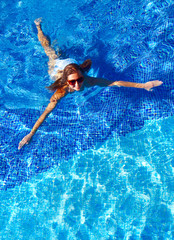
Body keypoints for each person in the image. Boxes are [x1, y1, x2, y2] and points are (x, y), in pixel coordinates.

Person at [18, 18, 163, 150]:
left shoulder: (88, 80)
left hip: (70, 65)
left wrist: (144, 85)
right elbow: (46, 112)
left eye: (79, 80)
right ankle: (38, 27)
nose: (77, 85)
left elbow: (115, 82)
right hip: (58, 67)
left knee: (59, 51)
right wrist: (31, 134)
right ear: (67, 82)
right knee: (49, 50)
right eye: (72, 82)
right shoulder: (61, 91)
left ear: (83, 75)